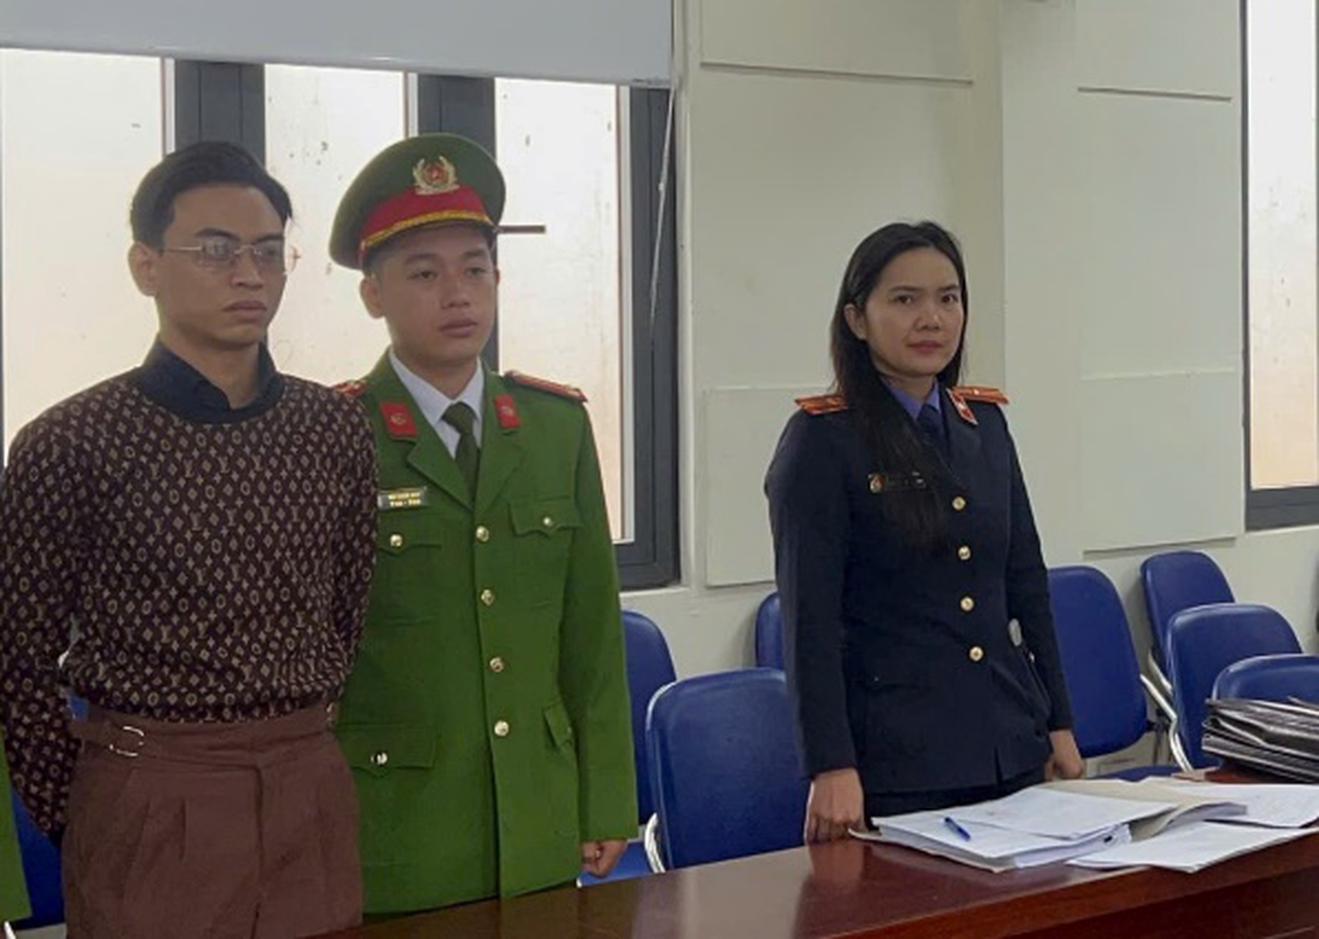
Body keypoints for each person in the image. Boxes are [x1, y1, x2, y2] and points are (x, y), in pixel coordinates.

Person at [0, 141, 377, 937]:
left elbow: (346, 613)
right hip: (150, 785)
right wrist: (92, 809)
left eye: (268, 252)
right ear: (146, 266)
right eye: (215, 250)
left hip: (307, 781)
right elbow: (19, 660)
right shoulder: (73, 441)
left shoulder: (333, 428)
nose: (249, 275)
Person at [327, 133, 636, 915]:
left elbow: (591, 632)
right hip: (393, 823)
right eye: (424, 274)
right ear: (372, 294)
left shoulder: (555, 426)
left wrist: (605, 799)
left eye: (474, 270)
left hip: (536, 813)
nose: (456, 295)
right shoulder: (333, 435)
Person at [765, 220, 1083, 842]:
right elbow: (810, 620)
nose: (931, 319)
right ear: (857, 319)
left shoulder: (984, 424)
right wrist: (830, 764)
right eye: (905, 300)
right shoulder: (823, 441)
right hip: (899, 757)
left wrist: (1058, 721)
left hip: (1008, 742)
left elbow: (1025, 582)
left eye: (948, 298)